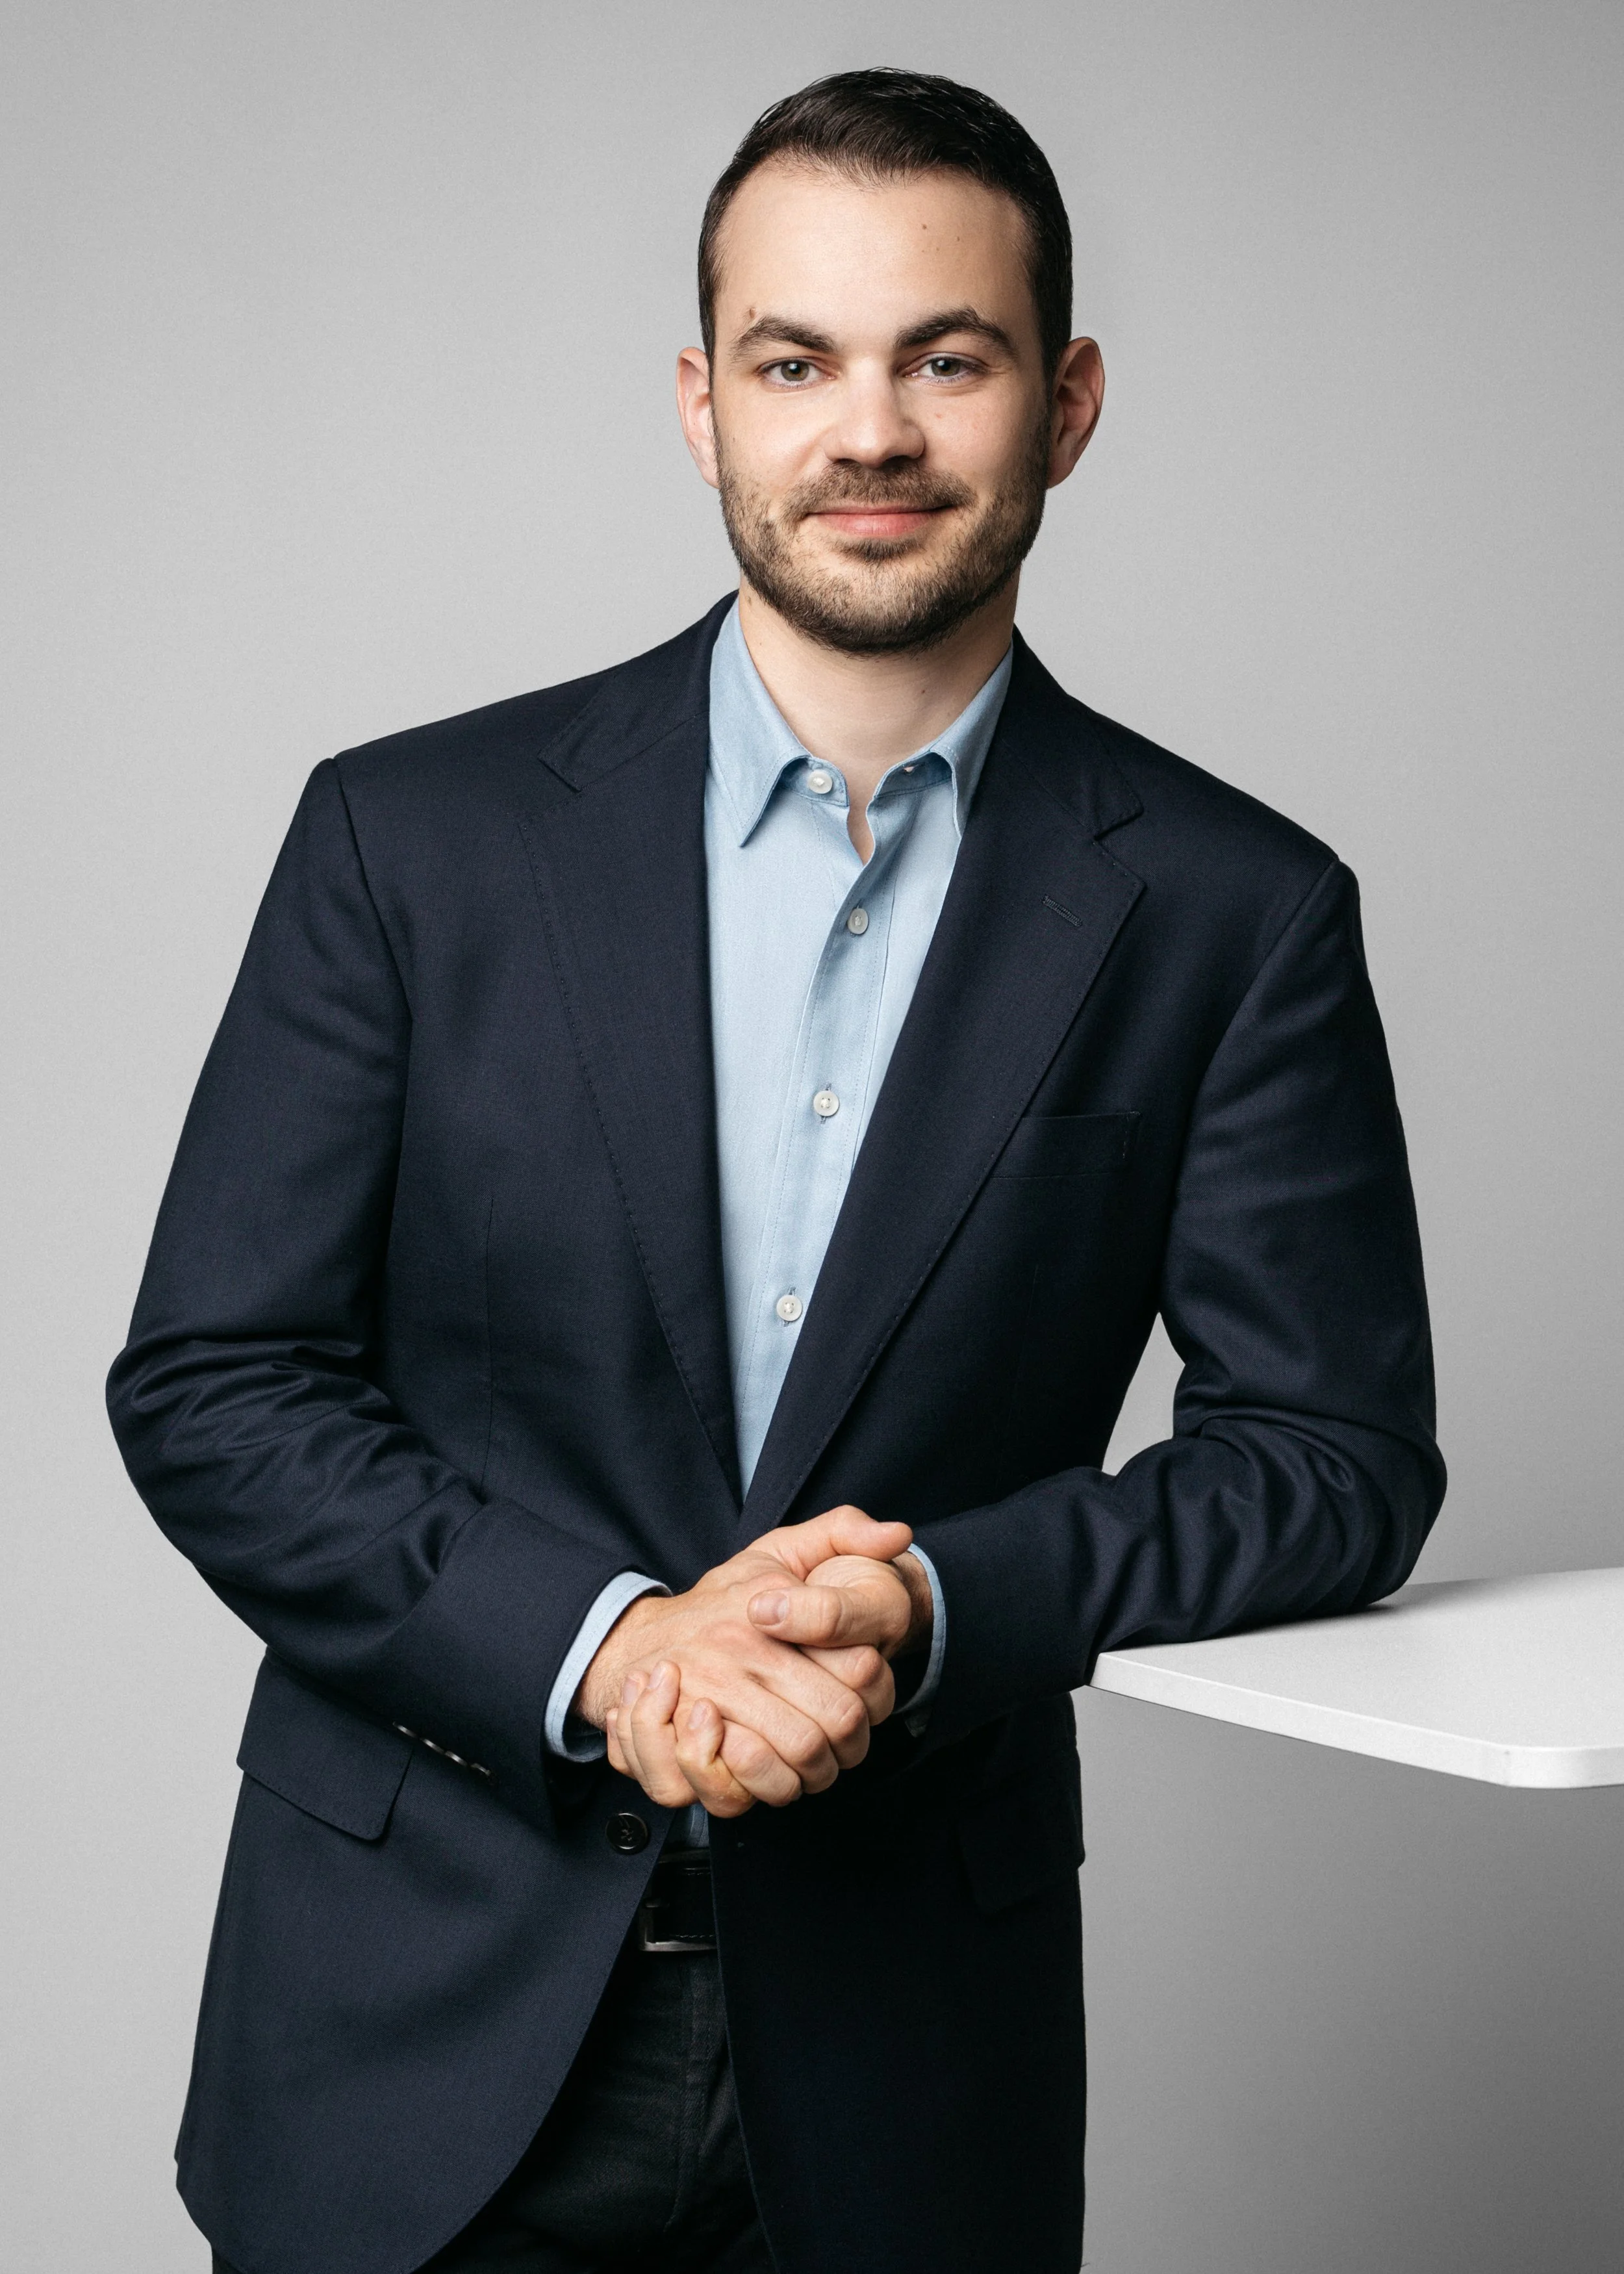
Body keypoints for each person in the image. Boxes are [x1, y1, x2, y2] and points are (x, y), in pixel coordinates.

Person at [108, 66, 1443, 2274]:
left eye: (951, 355)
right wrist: (614, 1650)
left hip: (910, 2046)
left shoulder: (1234, 907)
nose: (872, 432)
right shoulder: (408, 840)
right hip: (404, 2008)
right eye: (796, 360)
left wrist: (929, 1607)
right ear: (699, 404)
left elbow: (1330, 1454)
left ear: (1069, 399)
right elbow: (217, 1381)